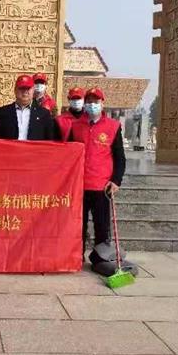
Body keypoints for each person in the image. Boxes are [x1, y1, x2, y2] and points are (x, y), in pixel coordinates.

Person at [69, 87, 126, 262]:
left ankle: (101, 258)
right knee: (78, 224)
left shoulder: (113, 126)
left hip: (102, 186)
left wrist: (116, 181)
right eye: (89, 102)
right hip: (79, 185)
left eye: (95, 102)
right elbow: (69, 153)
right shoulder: (76, 126)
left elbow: (119, 157)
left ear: (102, 103)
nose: (92, 105)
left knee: (102, 225)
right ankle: (76, 256)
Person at [0, 74, 54, 141]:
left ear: (33, 90)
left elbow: (50, 141)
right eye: (22, 88)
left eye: (28, 88)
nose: (25, 91)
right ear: (15, 90)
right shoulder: (2, 112)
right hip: (10, 148)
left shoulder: (44, 114)